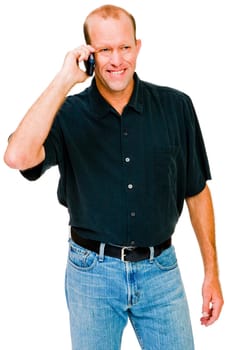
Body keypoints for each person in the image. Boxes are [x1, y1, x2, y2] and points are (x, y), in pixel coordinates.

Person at [4, 4, 223, 350]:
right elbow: (17, 156)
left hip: (161, 273)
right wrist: (64, 80)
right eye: (104, 50)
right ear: (89, 54)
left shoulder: (176, 106)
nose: (117, 60)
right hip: (92, 275)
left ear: (138, 46)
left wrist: (212, 273)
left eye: (124, 47)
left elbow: (196, 192)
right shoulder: (68, 115)